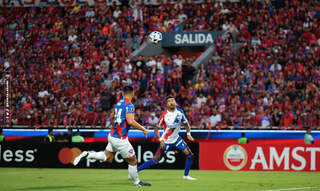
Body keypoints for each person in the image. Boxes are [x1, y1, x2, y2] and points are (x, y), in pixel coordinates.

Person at [73, 86, 151, 187]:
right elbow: (130, 121)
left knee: (108, 157)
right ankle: (136, 182)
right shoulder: (129, 105)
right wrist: (144, 129)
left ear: (122, 94)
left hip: (112, 136)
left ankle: (88, 154)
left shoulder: (118, 104)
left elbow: (112, 116)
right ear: (133, 94)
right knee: (133, 161)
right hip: (120, 139)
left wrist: (116, 126)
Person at [134, 95, 196, 180]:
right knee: (155, 160)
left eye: (172, 100)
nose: (171, 102)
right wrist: (161, 140)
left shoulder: (180, 112)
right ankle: (135, 171)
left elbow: (187, 125)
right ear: (167, 104)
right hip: (166, 141)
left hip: (176, 139)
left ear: (175, 102)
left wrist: (188, 133)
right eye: (169, 101)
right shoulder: (164, 116)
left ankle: (186, 176)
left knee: (190, 155)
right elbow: (156, 130)